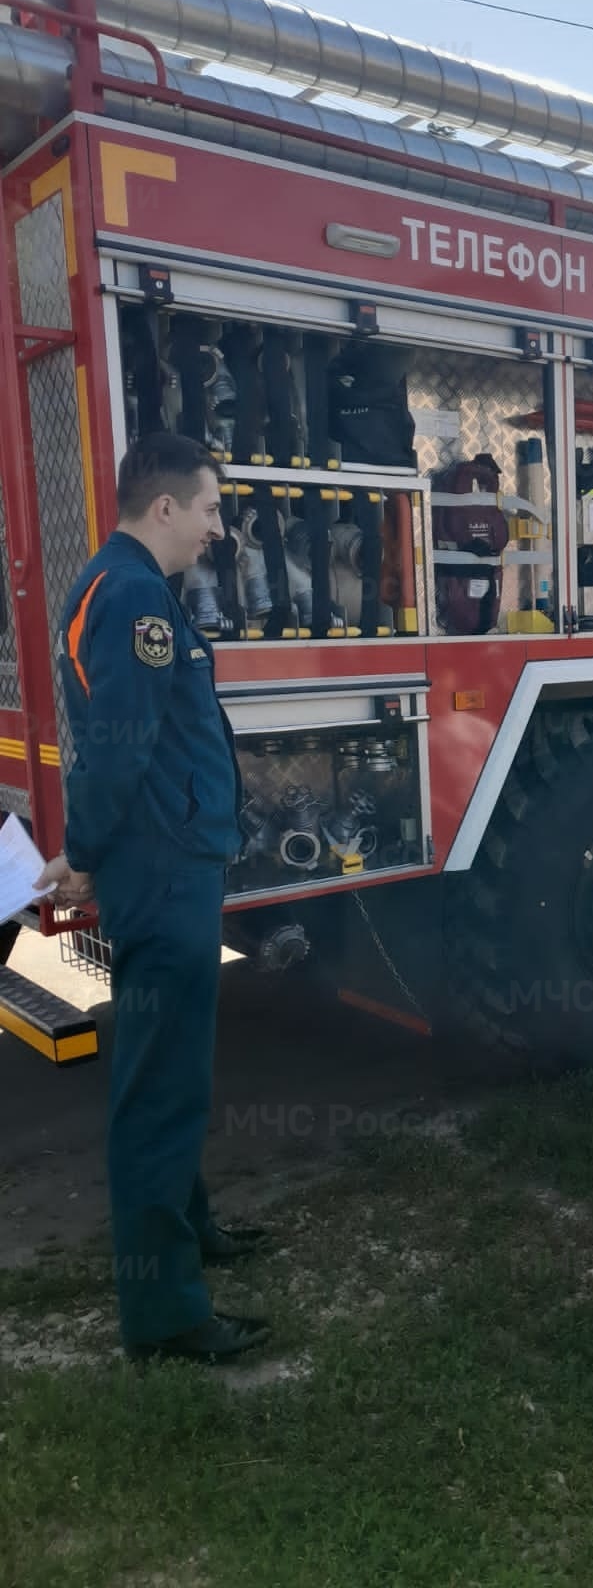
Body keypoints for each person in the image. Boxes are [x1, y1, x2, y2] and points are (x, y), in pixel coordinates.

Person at [40, 433, 270, 1365]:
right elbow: (122, 747)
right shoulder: (134, 595)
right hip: (164, 868)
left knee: (176, 1071)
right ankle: (167, 1313)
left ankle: (190, 1229)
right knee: (159, 1087)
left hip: (166, 861)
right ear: (166, 507)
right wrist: (85, 851)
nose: (220, 528)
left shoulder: (124, 585)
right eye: (211, 508)